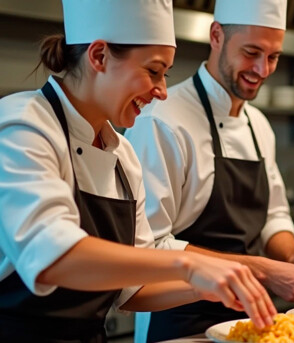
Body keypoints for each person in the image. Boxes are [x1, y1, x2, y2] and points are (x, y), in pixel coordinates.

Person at [0, 0, 276, 341]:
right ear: (99, 56)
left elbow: (135, 289)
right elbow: (52, 255)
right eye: (154, 70)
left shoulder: (123, 155)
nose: (161, 91)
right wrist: (189, 266)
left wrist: (208, 286)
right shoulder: (22, 125)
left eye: (165, 74)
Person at [125, 0, 294, 341]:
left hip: (250, 321)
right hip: (178, 322)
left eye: (273, 56)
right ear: (216, 35)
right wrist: (266, 271)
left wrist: (293, 257)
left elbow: (273, 217)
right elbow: (150, 247)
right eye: (251, 52)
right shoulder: (162, 120)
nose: (263, 69)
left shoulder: (259, 125)